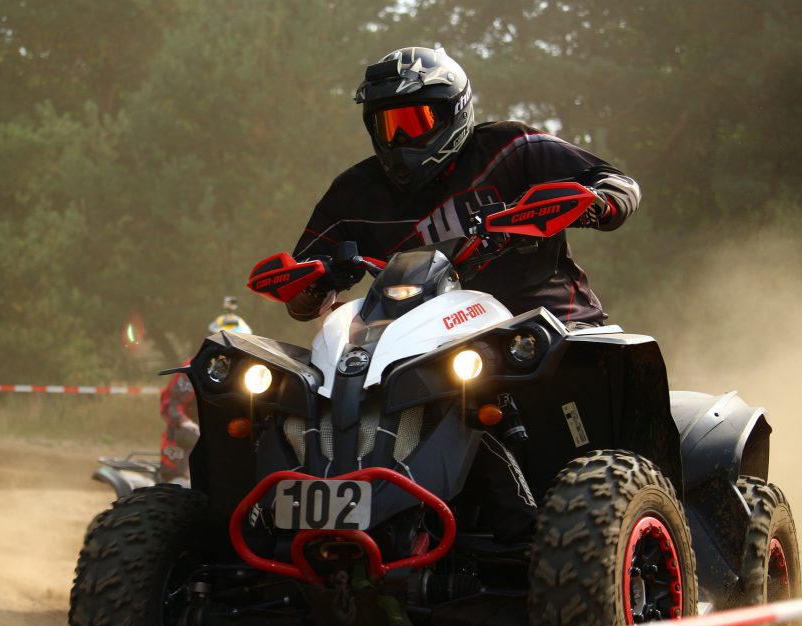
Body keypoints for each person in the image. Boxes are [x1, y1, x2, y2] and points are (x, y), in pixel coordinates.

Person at [287, 46, 640, 331]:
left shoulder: (512, 147)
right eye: (387, 125)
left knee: (589, 376)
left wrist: (596, 203)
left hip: (549, 325)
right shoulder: (355, 193)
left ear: (452, 111)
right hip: (421, 349)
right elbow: (297, 291)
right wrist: (320, 281)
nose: (399, 139)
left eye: (413, 122)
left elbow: (618, 183)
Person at [157, 298, 252, 483]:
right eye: (225, 341)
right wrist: (184, 422)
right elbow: (171, 403)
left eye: (239, 342)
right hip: (192, 440)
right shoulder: (195, 368)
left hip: (233, 442)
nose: (232, 348)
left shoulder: (257, 373)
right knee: (180, 484)